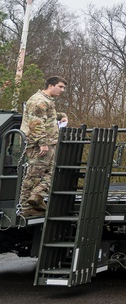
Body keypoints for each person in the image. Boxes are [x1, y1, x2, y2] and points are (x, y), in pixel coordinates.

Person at [18, 76, 68, 217]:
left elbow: (46, 117)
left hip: (48, 142)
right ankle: (26, 206)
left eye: (63, 87)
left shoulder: (46, 101)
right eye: (60, 87)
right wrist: (43, 143)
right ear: (51, 85)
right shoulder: (39, 101)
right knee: (34, 174)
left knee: (51, 171)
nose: (62, 90)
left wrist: (61, 116)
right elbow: (36, 123)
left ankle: (36, 196)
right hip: (38, 144)